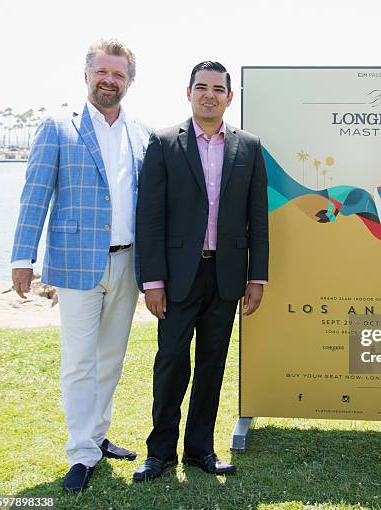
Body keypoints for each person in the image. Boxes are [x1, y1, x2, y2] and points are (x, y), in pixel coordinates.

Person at [11, 39, 151, 494]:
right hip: (74, 267)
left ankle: (97, 436)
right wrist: (22, 257)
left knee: (110, 358)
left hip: (127, 264)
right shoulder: (57, 126)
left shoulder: (141, 134)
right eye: (103, 72)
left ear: (129, 81)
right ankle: (80, 453)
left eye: (119, 74)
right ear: (87, 74)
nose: (110, 80)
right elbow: (36, 194)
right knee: (78, 362)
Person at [133, 61, 268, 481]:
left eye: (218, 88)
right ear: (188, 92)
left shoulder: (248, 146)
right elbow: (150, 218)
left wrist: (257, 276)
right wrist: (152, 281)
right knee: (171, 361)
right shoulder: (162, 142)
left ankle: (199, 451)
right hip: (175, 279)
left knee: (212, 364)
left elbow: (257, 217)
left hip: (226, 277)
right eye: (201, 87)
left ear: (230, 96)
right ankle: (159, 453)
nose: (209, 94)